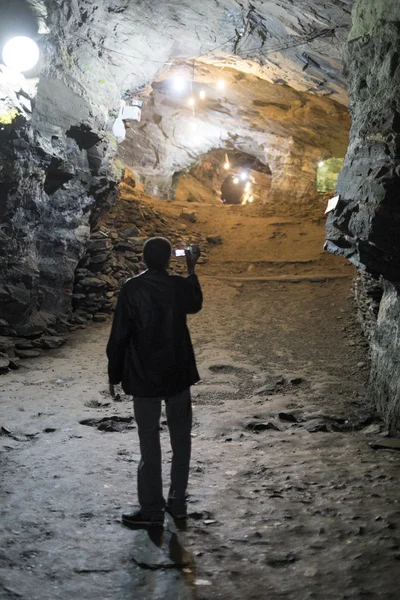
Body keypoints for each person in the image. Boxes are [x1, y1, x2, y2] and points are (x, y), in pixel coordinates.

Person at [106, 237, 203, 527]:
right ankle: (178, 503)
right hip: (177, 373)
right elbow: (195, 304)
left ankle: (151, 509)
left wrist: (114, 372)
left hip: (144, 375)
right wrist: (191, 268)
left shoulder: (132, 288)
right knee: (181, 439)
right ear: (168, 260)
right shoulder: (177, 285)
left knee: (149, 443)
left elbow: (120, 334)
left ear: (143, 259)